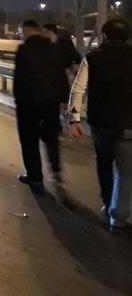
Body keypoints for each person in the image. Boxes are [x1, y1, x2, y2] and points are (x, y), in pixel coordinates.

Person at [68, 19, 132, 229]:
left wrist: (74, 119)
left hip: (100, 123)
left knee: (104, 164)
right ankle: (118, 216)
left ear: (104, 36)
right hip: (128, 124)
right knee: (126, 172)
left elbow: (78, 89)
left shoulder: (93, 58)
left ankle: (107, 202)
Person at [13, 20, 68, 192]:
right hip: (51, 102)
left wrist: (18, 100)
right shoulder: (54, 48)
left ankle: (35, 177)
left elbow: (19, 79)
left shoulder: (24, 50)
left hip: (28, 102)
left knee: (29, 140)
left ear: (28, 31)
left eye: (23, 32)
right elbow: (61, 76)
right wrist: (64, 100)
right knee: (51, 138)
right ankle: (56, 170)